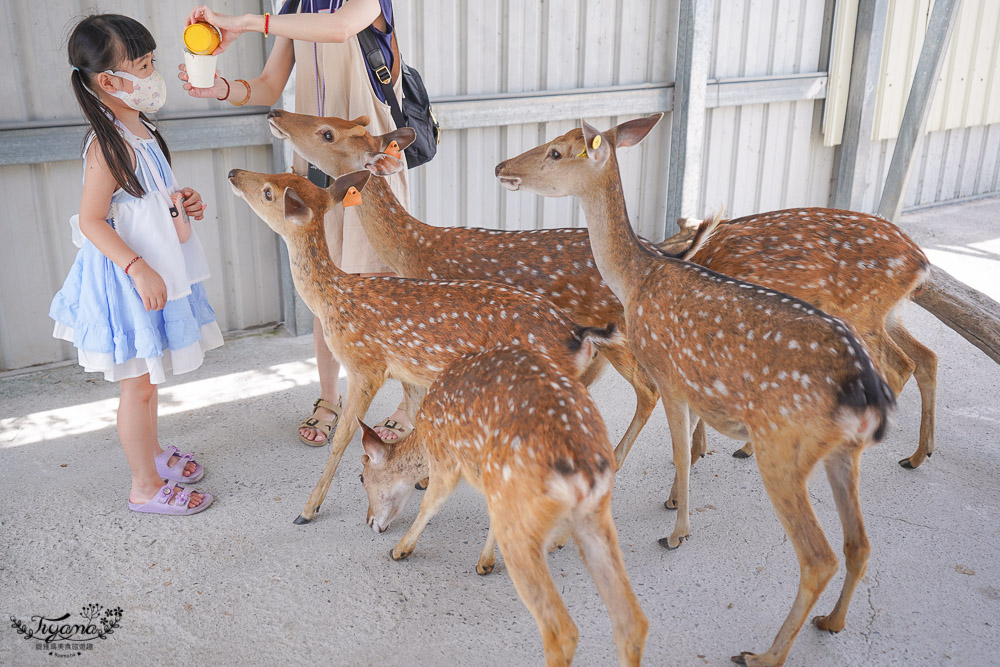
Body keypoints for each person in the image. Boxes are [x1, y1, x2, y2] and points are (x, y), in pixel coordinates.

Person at [181, 1, 414, 448]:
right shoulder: (297, 6)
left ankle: (408, 404)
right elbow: (269, 87)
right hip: (313, 166)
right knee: (326, 292)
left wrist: (250, 23)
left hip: (370, 164)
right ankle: (330, 399)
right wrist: (223, 89)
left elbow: (341, 27)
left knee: (387, 291)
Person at [50, 14, 223, 515]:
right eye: (143, 65)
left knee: (148, 383)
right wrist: (137, 267)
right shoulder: (107, 144)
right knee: (139, 387)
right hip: (129, 282)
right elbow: (91, 220)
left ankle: (152, 453)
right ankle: (144, 486)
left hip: (155, 272)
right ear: (108, 81)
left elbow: (144, 200)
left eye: (151, 62)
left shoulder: (140, 127)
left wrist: (180, 200)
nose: (153, 74)